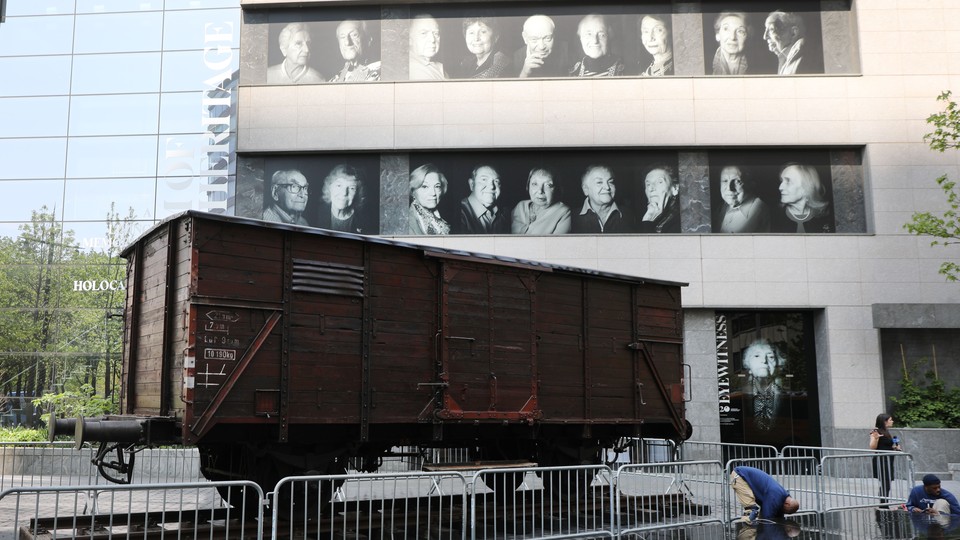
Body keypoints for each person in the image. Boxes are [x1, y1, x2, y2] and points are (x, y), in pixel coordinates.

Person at [771, 163, 835, 233]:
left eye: (788, 181)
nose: (780, 187)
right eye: (782, 181)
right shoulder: (773, 216)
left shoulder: (827, 216)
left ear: (806, 187)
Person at [741, 339, 787, 432]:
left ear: (777, 364)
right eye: (757, 356)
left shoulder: (785, 394)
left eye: (770, 357)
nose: (764, 361)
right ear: (747, 364)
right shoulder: (741, 394)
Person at [730, 465, 800, 524]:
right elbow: (767, 517)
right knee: (751, 510)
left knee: (754, 512)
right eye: (785, 510)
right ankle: (746, 533)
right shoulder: (775, 496)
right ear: (787, 504)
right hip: (740, 476)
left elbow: (774, 513)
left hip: (743, 474)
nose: (782, 510)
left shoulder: (783, 495)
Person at [572, 165, 632, 233]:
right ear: (586, 189)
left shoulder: (629, 215)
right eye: (599, 182)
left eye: (610, 182)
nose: (607, 187)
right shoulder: (572, 218)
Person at [511, 168, 571, 234]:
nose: (540, 191)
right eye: (535, 184)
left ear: (556, 188)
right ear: (528, 186)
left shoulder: (564, 212)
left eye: (548, 185)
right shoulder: (520, 206)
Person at [315, 164, 370, 234]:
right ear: (330, 187)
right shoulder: (315, 213)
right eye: (339, 185)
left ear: (357, 193)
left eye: (352, 188)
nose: (344, 193)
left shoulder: (364, 220)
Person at [456, 165, 510, 234]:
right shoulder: (458, 213)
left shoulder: (505, 214)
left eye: (496, 181)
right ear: (472, 184)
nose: (491, 186)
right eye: (484, 179)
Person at [717, 165, 770, 233]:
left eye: (737, 181)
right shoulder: (722, 208)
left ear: (749, 184)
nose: (729, 188)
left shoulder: (759, 208)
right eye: (725, 181)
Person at [763, 11, 819, 75]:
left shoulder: (805, 60)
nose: (765, 37)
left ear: (793, 33)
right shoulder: (787, 58)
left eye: (771, 29)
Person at [408, 164, 451, 235]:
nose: (433, 193)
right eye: (425, 187)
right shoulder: (407, 223)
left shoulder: (437, 219)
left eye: (437, 186)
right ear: (413, 191)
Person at [869, 413, 902, 505]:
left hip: (888, 460)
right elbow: (872, 447)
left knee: (887, 482)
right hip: (882, 460)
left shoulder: (886, 432)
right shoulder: (876, 431)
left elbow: (886, 446)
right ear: (884, 421)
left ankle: (884, 501)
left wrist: (895, 448)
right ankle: (883, 503)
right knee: (886, 481)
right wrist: (875, 438)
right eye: (890, 420)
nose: (892, 421)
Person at [640, 165, 680, 233]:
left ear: (675, 189)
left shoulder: (681, 223)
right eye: (648, 184)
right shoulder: (647, 217)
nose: (651, 188)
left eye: (659, 182)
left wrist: (647, 223)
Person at [409, 15, 445, 80]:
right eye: (424, 33)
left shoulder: (434, 65)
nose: (433, 40)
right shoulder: (415, 70)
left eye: (436, 33)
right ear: (409, 39)